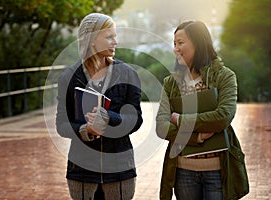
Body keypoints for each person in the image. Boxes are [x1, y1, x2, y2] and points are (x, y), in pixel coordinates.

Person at [156, 21, 249, 200]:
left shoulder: (225, 76)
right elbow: (161, 126)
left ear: (198, 43)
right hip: (183, 172)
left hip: (217, 171)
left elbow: (223, 116)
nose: (175, 49)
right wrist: (196, 137)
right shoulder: (171, 83)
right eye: (174, 43)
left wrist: (180, 120)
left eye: (180, 43)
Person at [56, 13, 143, 200]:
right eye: (109, 37)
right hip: (81, 170)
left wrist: (110, 117)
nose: (116, 42)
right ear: (92, 40)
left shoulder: (128, 74)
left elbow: (136, 119)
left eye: (115, 36)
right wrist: (84, 129)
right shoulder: (68, 78)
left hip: (120, 169)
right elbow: (62, 125)